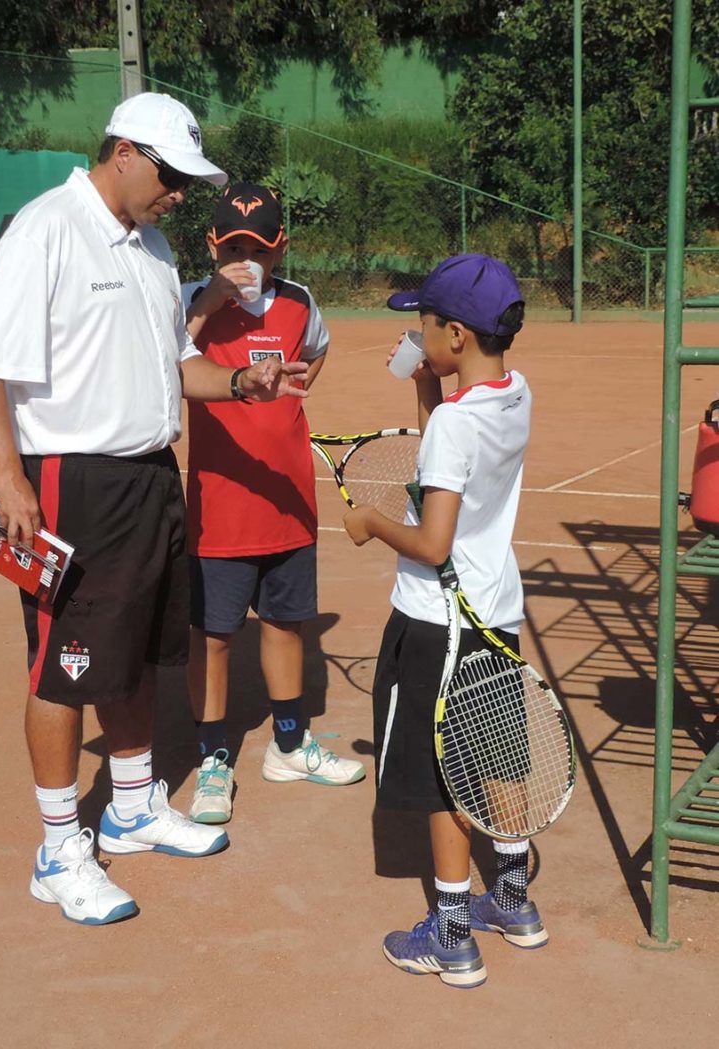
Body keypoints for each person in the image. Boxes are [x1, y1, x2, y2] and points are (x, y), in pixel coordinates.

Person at [0, 93, 310, 927]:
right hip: (70, 480)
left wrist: (242, 381)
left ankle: (134, 803)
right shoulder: (46, 229)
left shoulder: (152, 248)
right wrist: (7, 474)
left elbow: (177, 366)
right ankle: (57, 850)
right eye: (171, 176)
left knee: (143, 652)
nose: (179, 193)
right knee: (64, 663)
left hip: (152, 475)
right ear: (124, 153)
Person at [343, 254, 547, 988]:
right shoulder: (514, 393)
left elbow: (432, 542)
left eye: (424, 325)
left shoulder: (455, 425)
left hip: (438, 621)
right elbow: (450, 462)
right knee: (497, 758)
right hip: (495, 613)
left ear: (455, 334)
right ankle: (514, 903)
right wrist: (429, 387)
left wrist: (371, 522)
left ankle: (453, 935)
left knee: (442, 777)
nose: (416, 335)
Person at [181, 182, 365, 825]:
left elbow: (317, 350)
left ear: (280, 248)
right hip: (219, 508)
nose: (245, 261)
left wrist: (292, 393)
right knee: (213, 637)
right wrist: (210, 301)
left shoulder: (299, 303)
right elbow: (163, 357)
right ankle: (212, 758)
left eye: (257, 250)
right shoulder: (188, 304)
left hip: (288, 500)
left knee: (287, 625)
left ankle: (289, 746)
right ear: (212, 245)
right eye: (233, 248)